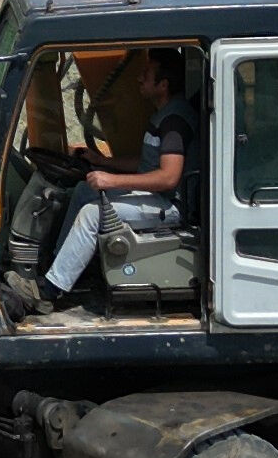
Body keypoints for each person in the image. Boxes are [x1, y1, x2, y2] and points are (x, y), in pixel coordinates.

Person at [43, 49, 200, 297]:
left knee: (92, 213)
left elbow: (168, 177)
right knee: (84, 190)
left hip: (168, 206)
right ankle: (59, 265)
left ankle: (52, 290)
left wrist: (111, 179)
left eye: (146, 75)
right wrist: (103, 161)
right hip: (155, 197)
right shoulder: (166, 114)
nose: (139, 79)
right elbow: (147, 163)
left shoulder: (175, 122)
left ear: (163, 85)